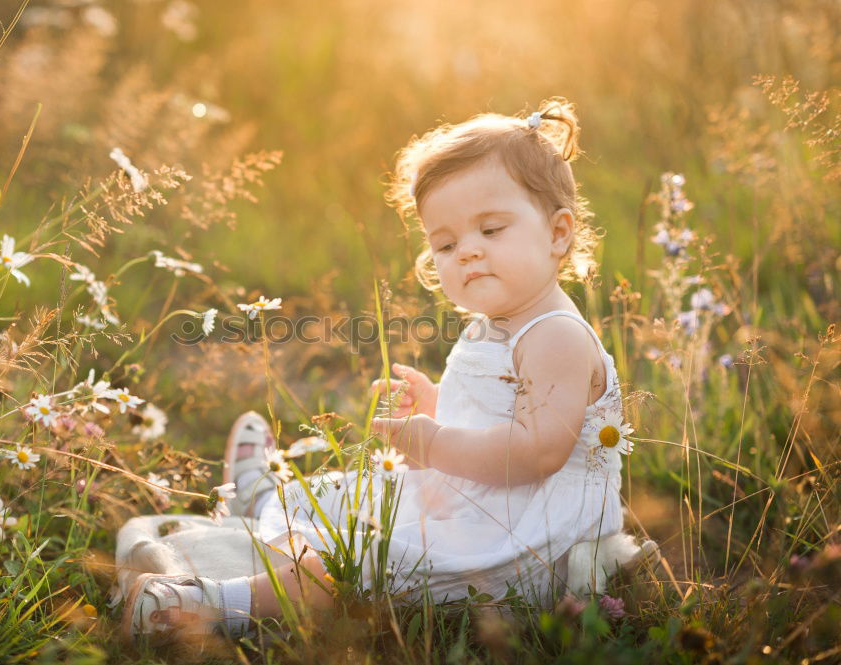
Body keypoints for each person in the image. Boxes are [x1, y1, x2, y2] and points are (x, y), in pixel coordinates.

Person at [120, 98, 659, 643]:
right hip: (484, 503)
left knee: (359, 560)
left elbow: (537, 451)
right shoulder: (503, 322)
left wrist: (434, 442)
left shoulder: (556, 336)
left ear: (558, 233)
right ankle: (265, 499)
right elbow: (499, 416)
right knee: (350, 497)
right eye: (445, 243)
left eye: (491, 230)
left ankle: (206, 605)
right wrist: (437, 407)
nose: (467, 252)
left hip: (521, 543)